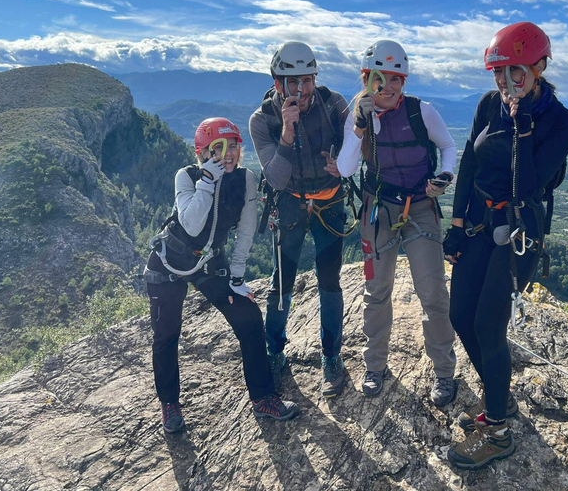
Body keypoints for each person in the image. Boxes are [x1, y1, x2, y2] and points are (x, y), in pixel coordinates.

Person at [444, 22, 568, 469]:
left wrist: (521, 128)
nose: (505, 83)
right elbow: (469, 161)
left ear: (539, 67)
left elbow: (529, 187)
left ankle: (498, 432)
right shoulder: (488, 105)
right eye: (498, 73)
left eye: (515, 72)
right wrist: (457, 223)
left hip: (519, 233)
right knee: (459, 313)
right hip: (481, 224)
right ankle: (497, 398)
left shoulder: (562, 123)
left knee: (488, 327)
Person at [143, 117, 299, 433]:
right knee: (166, 335)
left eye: (232, 147)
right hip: (168, 263)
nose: (227, 154)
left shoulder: (246, 180)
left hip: (209, 263)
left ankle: (263, 398)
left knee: (250, 319)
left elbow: (245, 231)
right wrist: (207, 183)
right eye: (218, 147)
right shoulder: (186, 177)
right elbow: (190, 224)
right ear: (202, 151)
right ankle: (170, 406)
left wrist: (238, 278)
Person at [336, 40, 458, 406]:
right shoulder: (359, 115)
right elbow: (345, 169)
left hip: (420, 206)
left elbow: (448, 146)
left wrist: (446, 175)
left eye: (396, 79)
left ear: (404, 82)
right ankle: (374, 366)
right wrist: (359, 130)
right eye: (379, 78)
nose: (387, 87)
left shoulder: (423, 112)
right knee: (376, 291)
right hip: (379, 209)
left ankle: (444, 372)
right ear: (365, 77)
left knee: (433, 292)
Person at [249, 42, 351, 398]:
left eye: (307, 79)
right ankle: (274, 353)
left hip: (329, 201)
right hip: (290, 202)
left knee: (330, 282)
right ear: (278, 84)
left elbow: (356, 145)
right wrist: (287, 134)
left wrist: (345, 161)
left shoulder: (333, 104)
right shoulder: (263, 120)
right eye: (293, 82)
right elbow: (276, 178)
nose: (302, 89)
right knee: (282, 283)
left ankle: (332, 357)